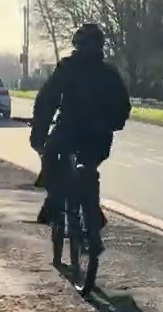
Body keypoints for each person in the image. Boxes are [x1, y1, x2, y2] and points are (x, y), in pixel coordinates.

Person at [30, 22, 131, 252]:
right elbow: (123, 106)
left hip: (69, 131)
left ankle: (54, 204)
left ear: (77, 46)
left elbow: (47, 101)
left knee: (51, 158)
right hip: (99, 136)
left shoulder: (68, 67)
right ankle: (93, 221)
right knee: (89, 171)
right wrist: (111, 125)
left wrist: (38, 136)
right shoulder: (109, 72)